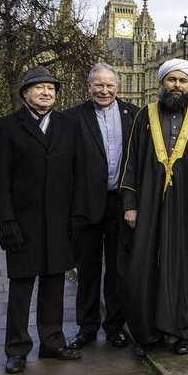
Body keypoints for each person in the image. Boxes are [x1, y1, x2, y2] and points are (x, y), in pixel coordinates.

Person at [119, 58, 188, 356]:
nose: (177, 85)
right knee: (143, 264)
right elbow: (131, 162)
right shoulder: (144, 116)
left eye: (182, 81)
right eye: (171, 80)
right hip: (148, 202)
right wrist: (130, 205)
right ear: (161, 82)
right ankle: (146, 333)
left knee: (184, 265)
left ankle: (179, 332)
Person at [0, 65, 82, 374]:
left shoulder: (68, 126)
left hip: (58, 220)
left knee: (54, 286)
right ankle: (16, 348)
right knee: (21, 288)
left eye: (51, 88)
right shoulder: (7, 126)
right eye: (39, 87)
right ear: (25, 93)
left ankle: (53, 342)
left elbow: (77, 174)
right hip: (23, 222)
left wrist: (75, 215)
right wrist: (6, 222)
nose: (46, 92)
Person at [64, 63, 138, 350]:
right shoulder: (72, 117)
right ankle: (87, 326)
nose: (104, 90)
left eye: (109, 85)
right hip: (87, 205)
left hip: (121, 204)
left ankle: (115, 326)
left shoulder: (133, 115)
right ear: (89, 87)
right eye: (99, 85)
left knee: (119, 269)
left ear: (117, 87)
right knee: (88, 269)